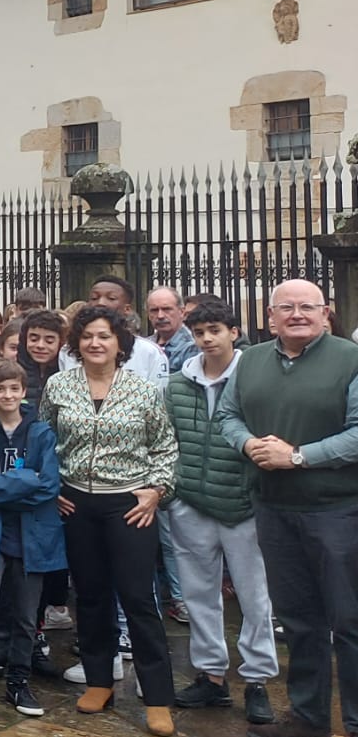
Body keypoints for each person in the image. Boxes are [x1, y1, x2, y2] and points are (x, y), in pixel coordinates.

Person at [217, 279, 358, 737]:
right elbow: (226, 416)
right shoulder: (252, 360)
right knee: (299, 621)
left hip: (336, 511)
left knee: (349, 622)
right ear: (270, 316)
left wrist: (296, 456)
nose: (297, 314)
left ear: (326, 313)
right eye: (287, 308)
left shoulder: (350, 360)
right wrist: (249, 444)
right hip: (273, 508)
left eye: (307, 307)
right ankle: (308, 719)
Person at [41, 304, 178, 737]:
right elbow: (44, 440)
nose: (95, 343)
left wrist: (156, 490)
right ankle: (99, 680)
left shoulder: (142, 390)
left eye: (103, 336)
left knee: (139, 599)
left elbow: (165, 447)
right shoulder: (58, 385)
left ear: (120, 342)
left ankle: (157, 697)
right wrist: (53, 489)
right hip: (77, 503)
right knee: (93, 594)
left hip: (129, 506)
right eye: (87, 336)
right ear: (76, 344)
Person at [165, 299, 276, 724]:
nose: (207, 339)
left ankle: (258, 680)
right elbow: (166, 438)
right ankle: (211, 676)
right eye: (199, 332)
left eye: (215, 329)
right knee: (198, 596)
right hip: (191, 501)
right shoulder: (176, 383)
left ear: (233, 331)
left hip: (243, 503)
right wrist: (174, 494)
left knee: (254, 596)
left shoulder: (255, 377)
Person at [0, 356, 62, 718]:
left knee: (25, 610)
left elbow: (48, 485)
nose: (7, 394)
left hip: (33, 530)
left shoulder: (41, 432)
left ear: (23, 391)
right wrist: (24, 480)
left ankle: (19, 680)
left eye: (14, 388)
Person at [148, 287, 195, 372]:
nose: (160, 316)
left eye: (167, 309)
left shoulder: (191, 346)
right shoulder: (145, 345)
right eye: (154, 310)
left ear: (182, 312)